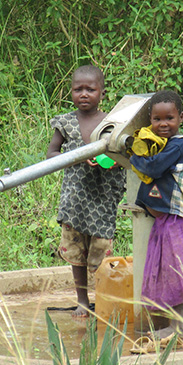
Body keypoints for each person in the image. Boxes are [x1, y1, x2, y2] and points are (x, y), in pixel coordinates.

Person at [129, 90, 183, 348]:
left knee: (182, 275)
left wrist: (132, 155)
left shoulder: (179, 145)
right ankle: (182, 326)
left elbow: (153, 168)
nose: (163, 124)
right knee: (177, 276)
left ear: (180, 118)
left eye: (169, 118)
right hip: (166, 222)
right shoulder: (161, 145)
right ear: (150, 121)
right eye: (157, 119)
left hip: (179, 220)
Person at [47, 65, 126, 317]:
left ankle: (103, 300)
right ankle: (82, 300)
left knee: (101, 252)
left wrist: (115, 160)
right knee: (77, 254)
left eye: (90, 89)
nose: (84, 94)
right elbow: (52, 154)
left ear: (101, 93)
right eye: (77, 89)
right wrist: (79, 157)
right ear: (70, 92)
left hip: (103, 198)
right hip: (75, 200)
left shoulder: (113, 122)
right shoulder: (66, 122)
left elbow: (125, 152)